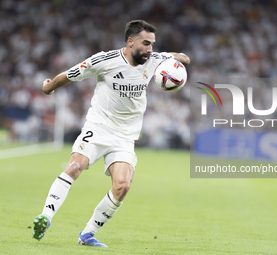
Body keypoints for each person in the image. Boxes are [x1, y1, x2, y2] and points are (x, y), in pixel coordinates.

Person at [32, 20, 190, 248]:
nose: (150, 49)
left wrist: (171, 58)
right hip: (98, 128)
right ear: (130, 41)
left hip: (125, 136)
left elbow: (184, 58)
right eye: (146, 43)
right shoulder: (105, 60)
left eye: (153, 44)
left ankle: (87, 234)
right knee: (74, 167)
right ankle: (46, 217)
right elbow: (70, 74)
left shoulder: (155, 60)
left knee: (123, 186)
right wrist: (49, 87)